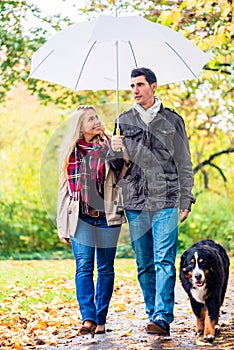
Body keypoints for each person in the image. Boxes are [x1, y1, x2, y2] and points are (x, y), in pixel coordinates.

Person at [108, 67, 196, 336]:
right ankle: (152, 312)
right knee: (145, 262)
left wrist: (186, 198)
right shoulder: (123, 121)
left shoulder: (173, 120)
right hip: (135, 201)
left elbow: (184, 161)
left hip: (167, 199)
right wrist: (114, 150)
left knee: (164, 260)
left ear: (154, 87)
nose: (134, 90)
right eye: (132, 85)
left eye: (140, 85)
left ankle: (162, 316)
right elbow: (115, 168)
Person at [57, 105, 126, 336]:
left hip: (107, 216)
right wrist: (62, 225)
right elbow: (64, 190)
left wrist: (119, 152)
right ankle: (88, 318)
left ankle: (100, 319)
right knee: (84, 267)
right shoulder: (70, 152)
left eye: (96, 117)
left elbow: (123, 173)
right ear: (81, 126)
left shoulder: (110, 144)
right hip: (81, 217)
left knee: (106, 268)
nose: (97, 121)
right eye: (90, 119)